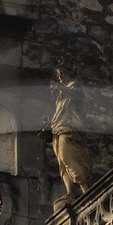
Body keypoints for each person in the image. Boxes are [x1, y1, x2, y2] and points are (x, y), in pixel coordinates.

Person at [48, 68, 94, 198]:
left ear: (70, 73)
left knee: (66, 157)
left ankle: (85, 188)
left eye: (63, 73)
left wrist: (61, 88)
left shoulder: (75, 87)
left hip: (70, 127)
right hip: (58, 128)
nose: (60, 76)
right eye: (58, 74)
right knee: (62, 163)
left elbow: (77, 97)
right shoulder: (61, 95)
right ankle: (70, 191)